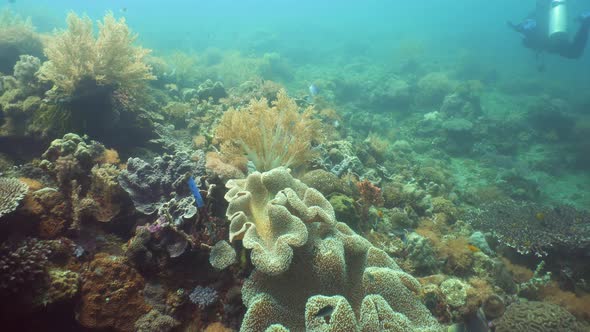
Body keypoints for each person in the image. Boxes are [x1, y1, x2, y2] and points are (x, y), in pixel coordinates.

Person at [508, 0, 590, 62]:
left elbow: (530, 24)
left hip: (552, 41)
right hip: (552, 41)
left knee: (574, 53)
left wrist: (519, 28)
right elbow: (530, 24)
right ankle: (584, 20)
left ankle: (585, 21)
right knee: (574, 53)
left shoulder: (537, 14)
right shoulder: (541, 13)